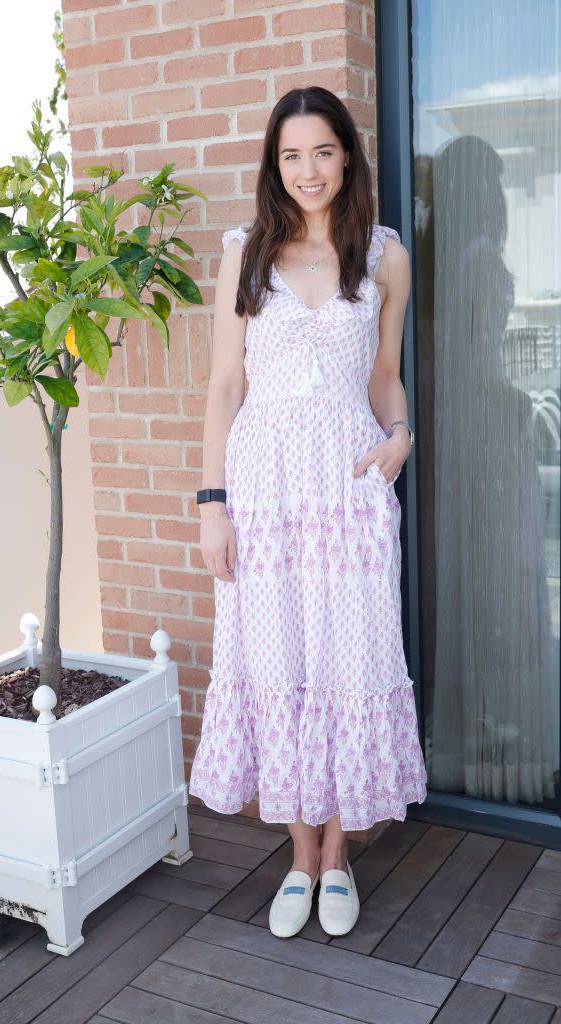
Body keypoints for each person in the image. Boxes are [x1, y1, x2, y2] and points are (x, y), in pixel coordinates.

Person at [188, 86, 427, 939]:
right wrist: (212, 507)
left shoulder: (385, 256)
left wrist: (400, 434)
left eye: (322, 151)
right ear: (273, 163)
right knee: (280, 662)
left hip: (350, 491)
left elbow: (384, 376)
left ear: (347, 155)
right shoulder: (245, 253)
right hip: (263, 492)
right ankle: (298, 853)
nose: (307, 170)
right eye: (291, 155)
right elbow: (223, 386)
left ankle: (337, 855)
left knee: (348, 660)